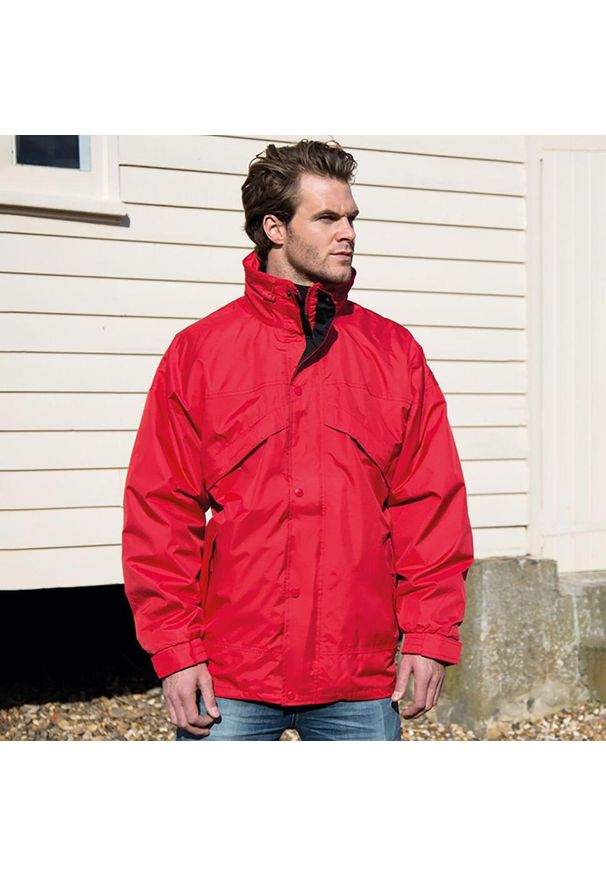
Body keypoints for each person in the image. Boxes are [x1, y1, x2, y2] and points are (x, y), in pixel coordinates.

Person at [121, 139, 474, 741]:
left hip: (359, 677)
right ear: (275, 228)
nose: (349, 233)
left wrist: (430, 634)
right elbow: (161, 509)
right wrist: (176, 650)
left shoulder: (394, 353)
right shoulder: (201, 354)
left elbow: (430, 504)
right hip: (233, 675)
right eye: (327, 218)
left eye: (352, 218)